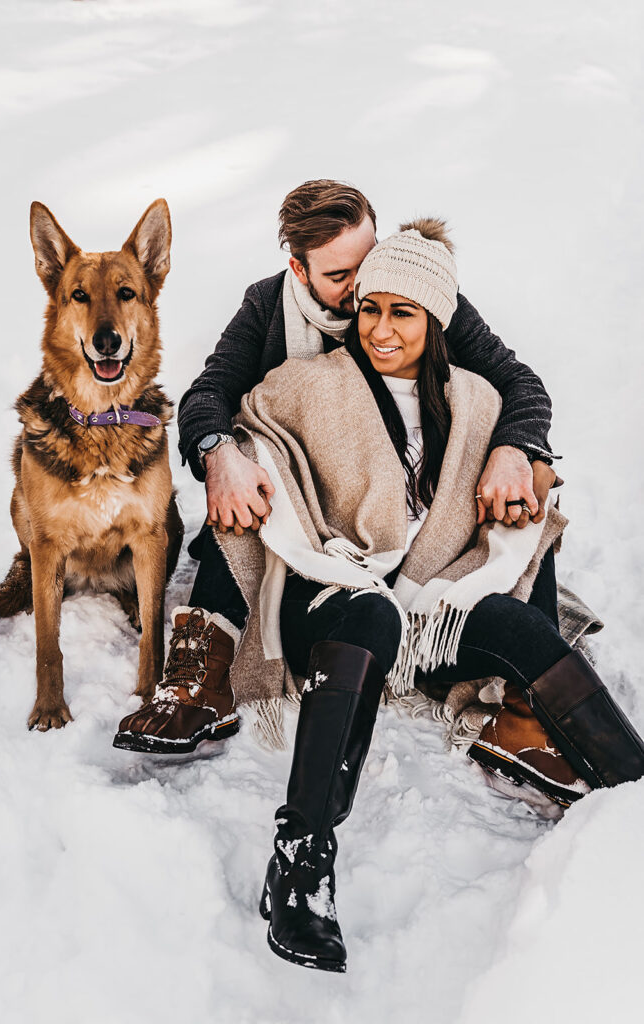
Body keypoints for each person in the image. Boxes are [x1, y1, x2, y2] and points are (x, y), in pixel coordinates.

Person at [185, 220, 644, 973]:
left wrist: (519, 456)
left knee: (516, 629)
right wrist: (226, 455)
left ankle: (630, 781)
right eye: (369, 308)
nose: (380, 328)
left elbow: (525, 405)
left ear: (437, 322)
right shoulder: (304, 382)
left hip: (423, 606)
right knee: (367, 609)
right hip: (331, 598)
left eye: (403, 313)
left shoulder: (474, 401)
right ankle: (300, 865)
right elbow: (245, 426)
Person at [114, 181, 560, 755]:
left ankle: (534, 705)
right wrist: (218, 451)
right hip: (311, 502)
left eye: (365, 264)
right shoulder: (266, 306)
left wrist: (515, 450)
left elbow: (520, 383)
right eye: (338, 277)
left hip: (405, 501)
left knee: (533, 490)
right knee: (245, 469)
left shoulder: (411, 286)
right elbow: (209, 393)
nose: (362, 290)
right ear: (299, 272)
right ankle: (202, 676)